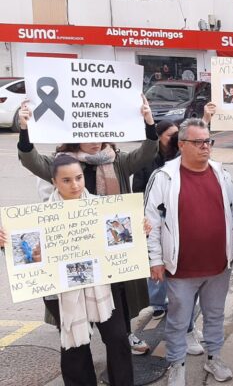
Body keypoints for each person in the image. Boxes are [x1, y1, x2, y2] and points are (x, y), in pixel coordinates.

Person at [16, 97, 156, 356]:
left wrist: (148, 122)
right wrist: (24, 129)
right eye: (89, 136)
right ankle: (79, 343)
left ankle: (123, 336)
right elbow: (30, 159)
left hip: (110, 249)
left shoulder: (117, 160)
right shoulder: (61, 164)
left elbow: (147, 152)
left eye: (101, 135)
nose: (95, 141)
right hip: (75, 250)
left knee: (118, 300)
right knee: (78, 312)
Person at [0, 155, 135, 385]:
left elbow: (123, 241)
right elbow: (27, 256)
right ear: (54, 182)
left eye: (79, 178)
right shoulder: (39, 217)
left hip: (102, 288)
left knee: (118, 339)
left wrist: (140, 229)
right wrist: (6, 243)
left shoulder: (104, 208)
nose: (75, 185)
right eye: (66, 180)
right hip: (60, 293)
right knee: (74, 346)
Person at [145, 118, 233, 386]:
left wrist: (231, 250)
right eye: (198, 142)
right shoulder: (164, 177)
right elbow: (150, 222)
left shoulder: (221, 173)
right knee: (177, 322)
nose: (205, 147)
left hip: (218, 267)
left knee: (214, 316)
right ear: (182, 144)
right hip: (181, 269)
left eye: (208, 141)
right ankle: (177, 365)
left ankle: (214, 358)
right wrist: (155, 260)